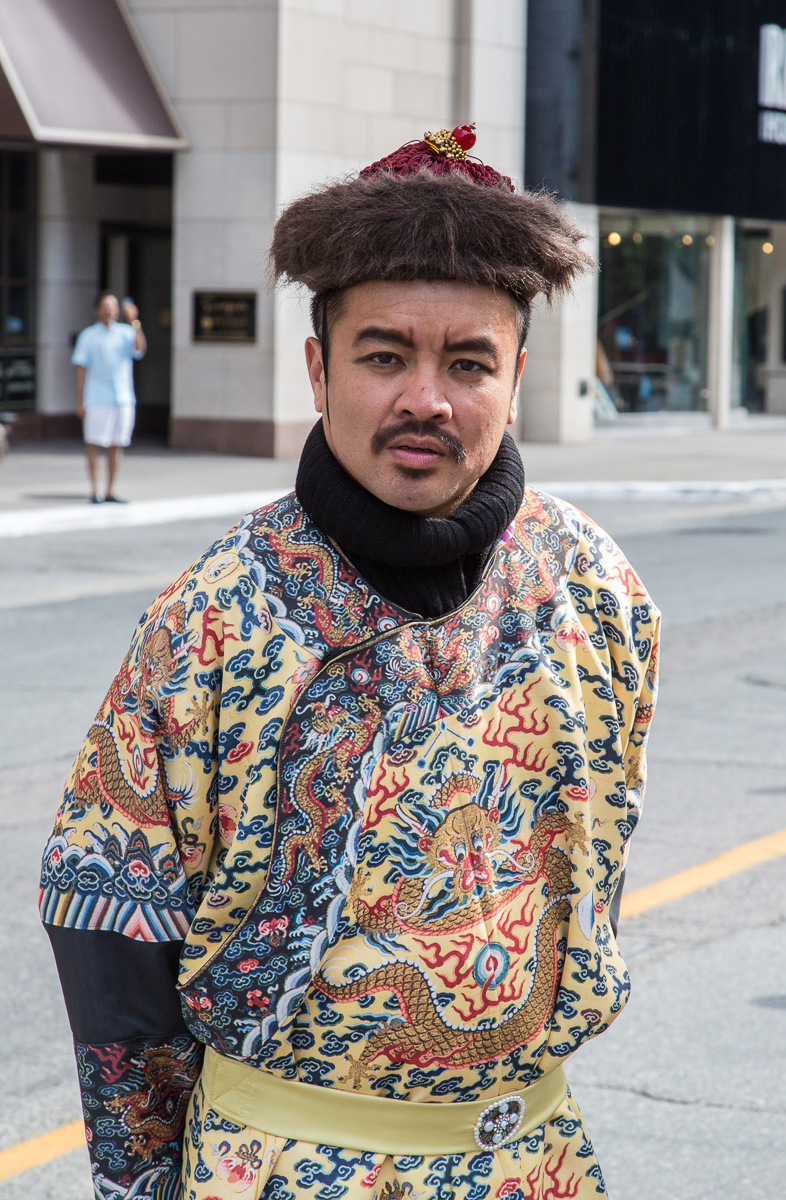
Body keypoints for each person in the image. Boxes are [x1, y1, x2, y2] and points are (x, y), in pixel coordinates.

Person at [40, 126, 660, 1200]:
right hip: (281, 1168)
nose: (425, 398)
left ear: (515, 381)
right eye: (384, 356)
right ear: (321, 367)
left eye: (467, 362)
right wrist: (141, 1181)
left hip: (533, 1159)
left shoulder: (593, 585)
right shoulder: (211, 617)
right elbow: (108, 915)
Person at [73, 292, 147, 503]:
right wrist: (80, 400)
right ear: (97, 310)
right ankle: (95, 490)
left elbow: (140, 350)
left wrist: (135, 321)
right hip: (96, 397)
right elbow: (80, 369)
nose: (110, 310)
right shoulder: (88, 336)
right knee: (94, 443)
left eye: (113, 306)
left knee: (117, 444)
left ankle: (110, 491)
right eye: (105, 306)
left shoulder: (125, 332)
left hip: (122, 397)